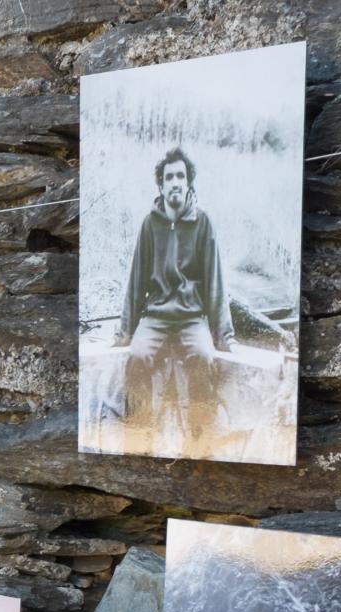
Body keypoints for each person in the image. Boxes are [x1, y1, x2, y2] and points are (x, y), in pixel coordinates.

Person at [112, 147, 234, 442]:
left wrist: (226, 336)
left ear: (189, 182)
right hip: (155, 318)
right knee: (138, 357)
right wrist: (125, 331)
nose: (175, 182)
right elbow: (136, 280)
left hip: (192, 318)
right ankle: (138, 433)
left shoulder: (203, 222)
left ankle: (199, 435)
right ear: (161, 185)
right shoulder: (149, 223)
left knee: (204, 356)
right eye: (170, 177)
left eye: (181, 175)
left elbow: (215, 281)